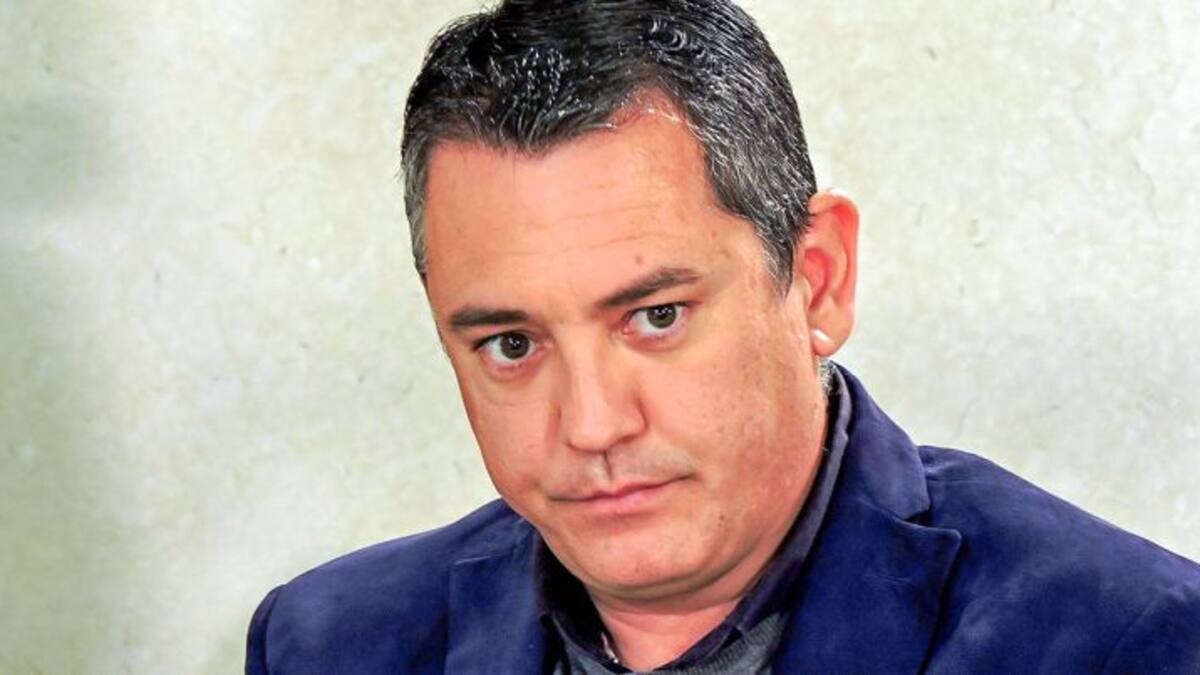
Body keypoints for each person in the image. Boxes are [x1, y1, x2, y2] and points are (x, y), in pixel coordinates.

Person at [246, 1, 1200, 672]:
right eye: (512, 343)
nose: (592, 424)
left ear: (818, 277)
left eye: (655, 316)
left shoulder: (1127, 641)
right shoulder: (324, 645)